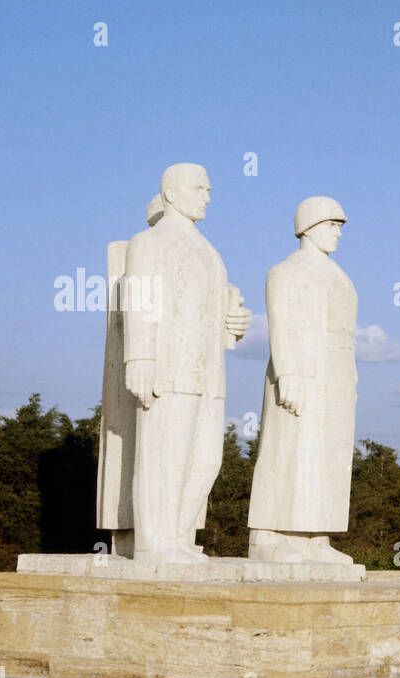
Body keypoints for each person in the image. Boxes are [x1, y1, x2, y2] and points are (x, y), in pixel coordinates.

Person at [117, 163, 251, 562]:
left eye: (209, 189)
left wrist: (233, 324)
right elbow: (137, 302)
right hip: (168, 366)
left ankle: (177, 536)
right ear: (172, 193)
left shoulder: (209, 251)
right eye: (200, 188)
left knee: (206, 458)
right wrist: (139, 357)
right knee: (164, 454)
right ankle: (155, 543)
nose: (208, 196)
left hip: (208, 370)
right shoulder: (149, 242)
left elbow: (215, 308)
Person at [247, 196, 358, 563]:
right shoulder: (286, 271)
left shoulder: (339, 276)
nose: (337, 233)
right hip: (300, 370)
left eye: (340, 226)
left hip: (335, 373)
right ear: (308, 227)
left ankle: (315, 536)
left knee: (328, 454)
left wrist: (350, 376)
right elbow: (281, 325)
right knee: (291, 449)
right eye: (331, 225)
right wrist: (289, 372)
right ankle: (270, 535)